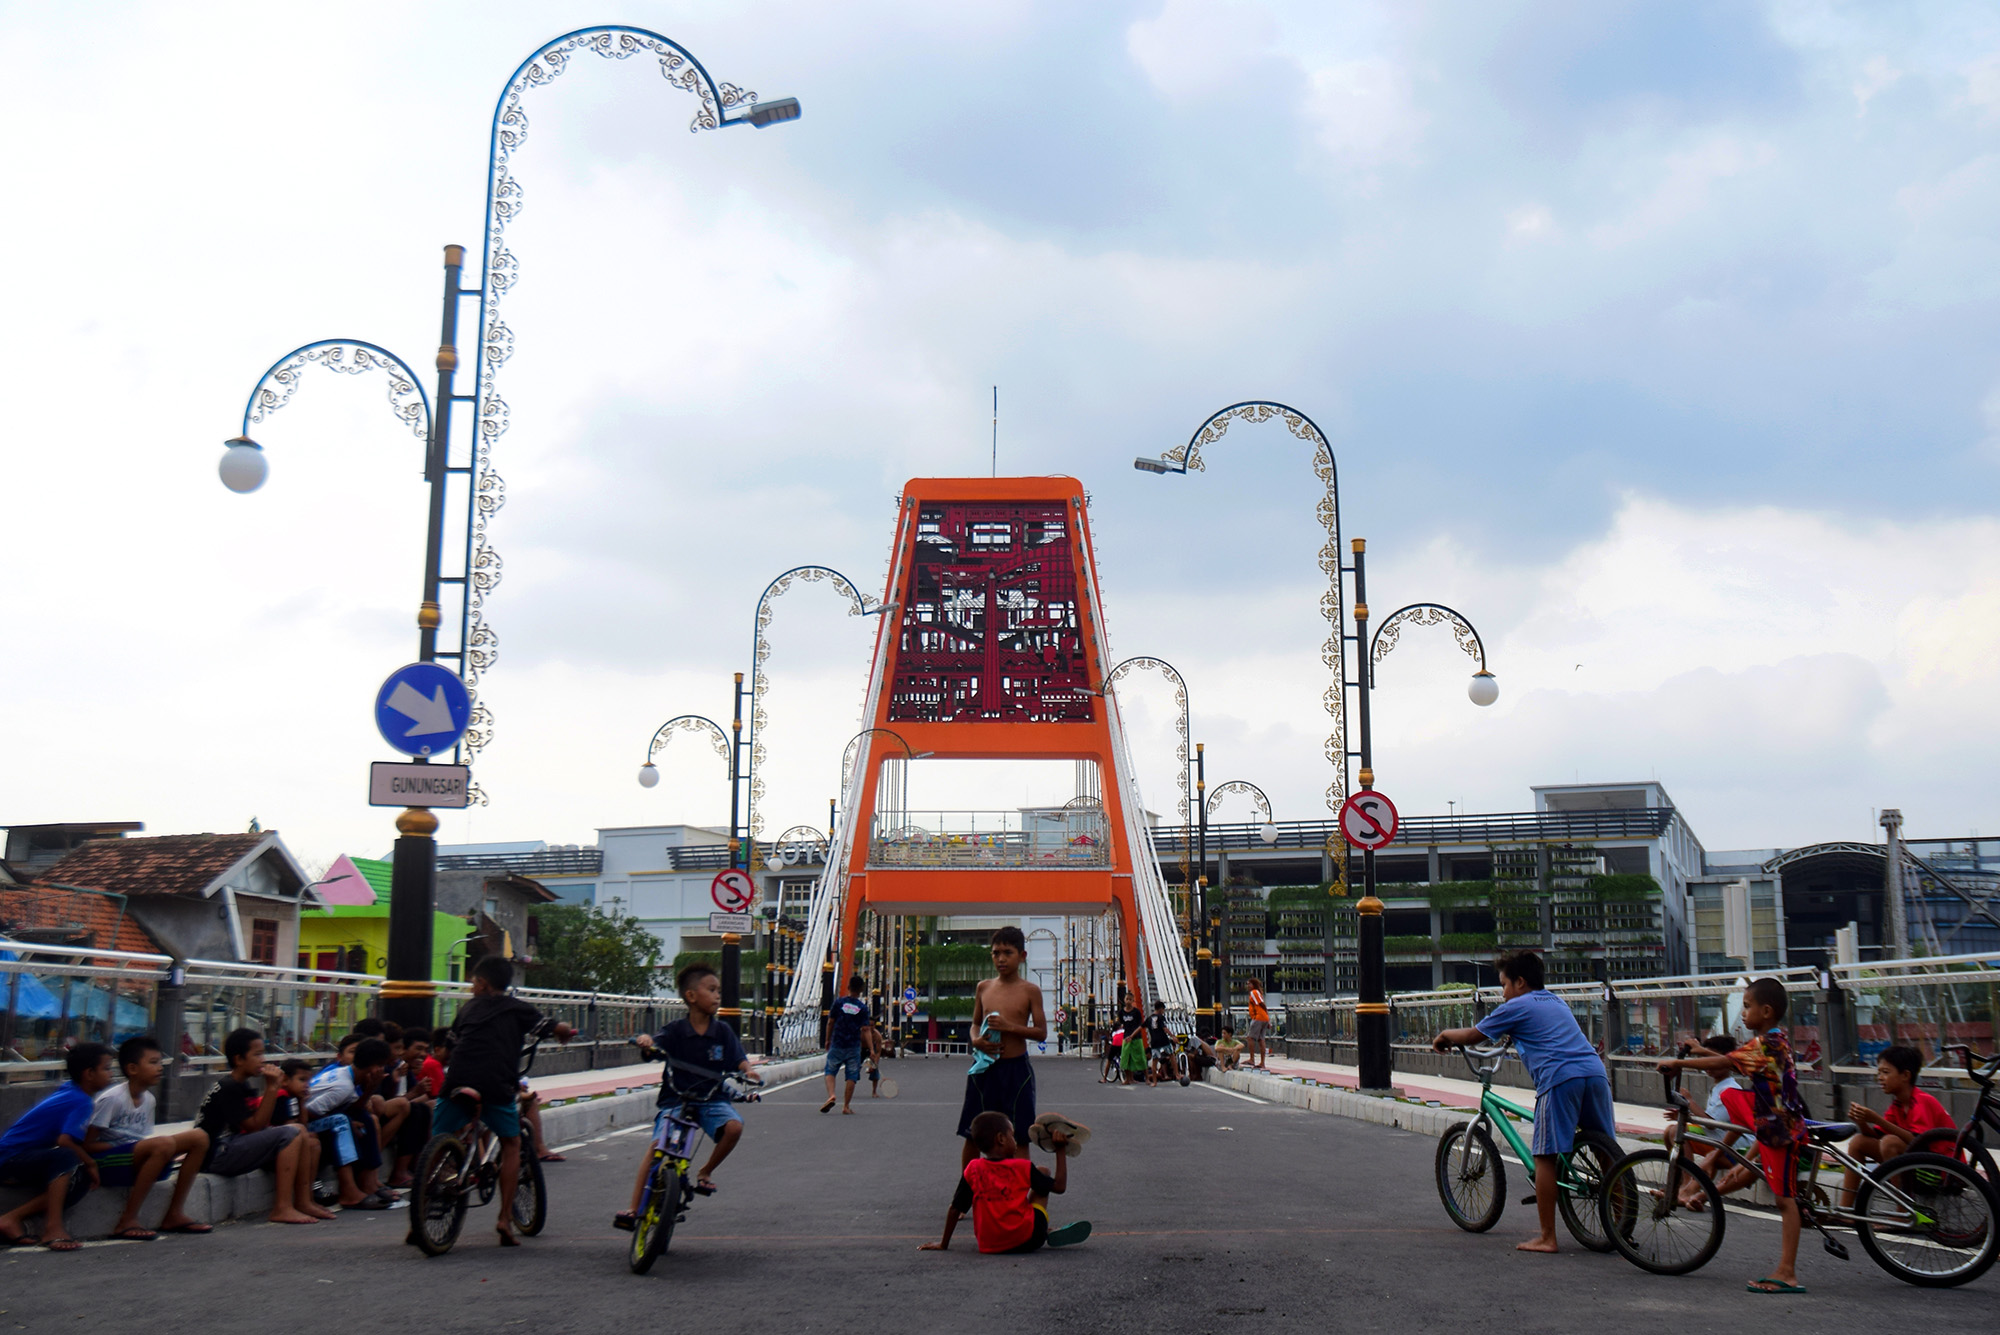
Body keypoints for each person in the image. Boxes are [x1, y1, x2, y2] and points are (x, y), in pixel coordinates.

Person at [1432, 949, 1615, 1255]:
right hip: (1595, 1073)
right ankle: (1621, 1228)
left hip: (1559, 1078)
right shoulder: (1554, 1000)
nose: (1503, 993)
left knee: (1545, 1157)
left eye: (1503, 985)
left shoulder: (1516, 1005)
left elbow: (1476, 1036)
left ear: (1519, 982)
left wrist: (1445, 1035)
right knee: (1606, 1152)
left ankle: (1547, 1237)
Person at [1657, 977, 1811, 1294]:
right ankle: (1717, 1173)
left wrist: (1678, 1061)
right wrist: (1698, 1051)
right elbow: (1731, 1059)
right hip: (1772, 1126)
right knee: (1734, 1102)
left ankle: (1787, 1272)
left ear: (1766, 1011)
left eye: (1747, 1006)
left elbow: (1726, 1061)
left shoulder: (1767, 1044)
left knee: (1785, 1200)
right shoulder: (1772, 1040)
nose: (1743, 1012)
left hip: (1780, 1131)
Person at [432, 955, 566, 1246]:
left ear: (481, 983)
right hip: (497, 1084)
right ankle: (504, 1219)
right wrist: (564, 1031)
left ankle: (423, 1201)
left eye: (472, 982)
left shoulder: (467, 1008)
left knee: (437, 1139)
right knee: (511, 1144)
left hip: (458, 1082)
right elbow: (551, 1028)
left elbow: (452, 1044)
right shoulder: (519, 1009)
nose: (471, 987)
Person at [616, 962, 761, 1230]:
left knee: (734, 1127)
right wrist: (646, 1042)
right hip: (676, 1099)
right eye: (711, 989)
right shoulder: (675, 1030)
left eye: (718, 990)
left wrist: (748, 1070)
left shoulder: (723, 1032)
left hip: (712, 1098)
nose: (718, 995)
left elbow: (739, 1059)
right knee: (658, 1146)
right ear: (691, 996)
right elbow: (653, 1045)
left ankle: (705, 1170)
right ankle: (633, 1208)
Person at [84, 1036, 212, 1239]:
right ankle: (127, 1220)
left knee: (199, 1137)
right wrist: (117, 1145)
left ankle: (174, 1214)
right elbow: (87, 1145)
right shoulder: (112, 1099)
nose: (160, 1068)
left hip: (133, 1156)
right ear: (132, 1069)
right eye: (153, 1063)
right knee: (163, 1143)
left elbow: (143, 1140)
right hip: (107, 1162)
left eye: (160, 1062)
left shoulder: (149, 1100)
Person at [194, 1028, 325, 1224]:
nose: (263, 1060)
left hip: (234, 1145)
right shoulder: (229, 1086)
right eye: (257, 1055)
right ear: (239, 1059)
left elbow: (256, 1126)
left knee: (310, 1142)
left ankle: (305, 1200)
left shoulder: (242, 1085)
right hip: (218, 1153)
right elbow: (255, 1126)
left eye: (263, 1054)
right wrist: (272, 1088)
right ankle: (282, 1207)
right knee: (293, 1132)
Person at [920, 1109, 1089, 1253]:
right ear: (1001, 1139)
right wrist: (1060, 1150)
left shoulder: (973, 1169)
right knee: (1043, 1173)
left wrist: (943, 1244)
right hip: (1029, 1240)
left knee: (1040, 1174)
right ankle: (1041, 1229)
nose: (1015, 1142)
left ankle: (1035, 1225)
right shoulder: (1023, 1167)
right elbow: (1059, 1187)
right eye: (1012, 1136)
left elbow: (955, 1209)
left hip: (989, 1245)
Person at [0, 1042, 114, 1250]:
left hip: (18, 1157)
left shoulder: (72, 1092)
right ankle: (53, 1228)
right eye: (106, 1068)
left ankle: (10, 1219)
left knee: (80, 1180)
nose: (111, 1074)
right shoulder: (81, 1101)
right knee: (68, 1158)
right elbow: (65, 1141)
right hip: (10, 1158)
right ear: (89, 1073)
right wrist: (90, 1163)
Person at [957, 927, 1047, 1166]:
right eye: (996, 953)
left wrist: (1009, 1027)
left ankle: (1017, 1195)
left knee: (1019, 1137)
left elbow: (1040, 1032)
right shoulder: (983, 987)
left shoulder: (1030, 991)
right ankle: (968, 1190)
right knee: (973, 1134)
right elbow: (975, 1023)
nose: (1001, 959)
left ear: (1022, 956)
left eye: (1007, 952)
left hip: (1016, 1072)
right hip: (984, 1070)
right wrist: (975, 1040)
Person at [1840, 1044, 1954, 1208]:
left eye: (1885, 1072)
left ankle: (1902, 1212)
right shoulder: (1897, 1106)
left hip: (1938, 1173)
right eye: (1879, 1072)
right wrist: (1862, 1121)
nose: (1880, 1077)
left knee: (1890, 1143)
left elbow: (1918, 1141)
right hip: (1916, 1167)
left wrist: (1877, 1119)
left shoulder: (1922, 1101)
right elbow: (1876, 1137)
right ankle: (1845, 1209)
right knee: (1858, 1141)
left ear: (1905, 1075)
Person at [307, 1037, 396, 1209]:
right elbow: (309, 1111)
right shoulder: (343, 1085)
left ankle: (368, 1182)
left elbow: (356, 1108)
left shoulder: (350, 1078)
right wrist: (348, 1122)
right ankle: (348, 1190)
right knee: (342, 1121)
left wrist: (370, 1088)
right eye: (382, 1066)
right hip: (302, 1122)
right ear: (375, 1066)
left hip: (321, 1120)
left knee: (365, 1118)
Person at [821, 974, 876, 1115]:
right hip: (853, 1045)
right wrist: (871, 1049)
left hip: (838, 1042)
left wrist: (827, 1039)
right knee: (851, 1075)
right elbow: (866, 1030)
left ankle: (832, 1095)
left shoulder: (839, 1003)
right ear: (861, 989)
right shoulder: (862, 1008)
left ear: (848, 987)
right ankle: (846, 1106)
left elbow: (830, 1022)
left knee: (830, 1071)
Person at [1141, 1001, 1176, 1088]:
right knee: (1171, 1055)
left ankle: (1155, 1082)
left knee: (1154, 1062)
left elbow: (1140, 1027)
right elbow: (1164, 1028)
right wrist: (1173, 1036)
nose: (1163, 1012)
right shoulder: (1161, 1017)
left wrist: (1131, 1035)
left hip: (1154, 1041)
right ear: (1160, 1009)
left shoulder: (1149, 1018)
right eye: (1163, 1010)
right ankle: (1177, 1074)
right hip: (1163, 1040)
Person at [1245, 980, 1271, 1070]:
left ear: (1253, 985)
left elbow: (1260, 1004)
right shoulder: (1258, 993)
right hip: (1264, 1018)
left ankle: (1252, 1059)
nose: (1247, 986)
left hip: (1258, 1017)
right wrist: (1268, 1019)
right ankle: (1262, 1062)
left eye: (1249, 984)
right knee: (1261, 1039)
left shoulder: (1254, 992)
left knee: (1250, 1038)